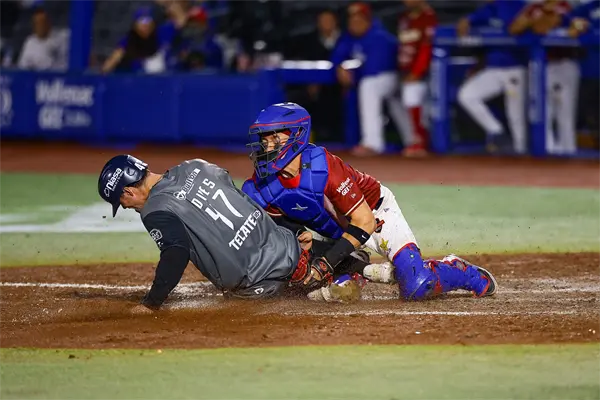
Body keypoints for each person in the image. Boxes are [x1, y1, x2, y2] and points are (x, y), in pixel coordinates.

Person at [242, 102, 498, 302]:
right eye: (264, 141)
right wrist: (300, 238)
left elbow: (364, 222)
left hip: (375, 214)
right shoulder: (261, 186)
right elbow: (280, 231)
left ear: (297, 136)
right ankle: (365, 271)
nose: (267, 147)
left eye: (275, 139)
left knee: (417, 285)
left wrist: (326, 262)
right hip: (339, 234)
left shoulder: (321, 167)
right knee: (311, 290)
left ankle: (458, 269)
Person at [97, 154, 368, 313]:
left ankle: (322, 292)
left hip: (259, 286)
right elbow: (241, 200)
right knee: (339, 265)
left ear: (128, 191)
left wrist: (151, 303)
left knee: (235, 317)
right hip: (290, 250)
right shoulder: (195, 166)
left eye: (122, 202)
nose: (126, 207)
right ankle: (357, 267)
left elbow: (175, 253)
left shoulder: (154, 209)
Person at [331, 2, 415, 157]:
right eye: (352, 20)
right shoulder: (348, 36)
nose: (354, 23)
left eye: (358, 20)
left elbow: (372, 69)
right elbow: (337, 56)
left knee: (368, 87)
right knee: (393, 104)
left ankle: (373, 143)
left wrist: (351, 74)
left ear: (367, 20)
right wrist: (340, 67)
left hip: (391, 77)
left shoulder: (379, 37)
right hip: (377, 78)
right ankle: (411, 140)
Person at [456, 0, 527, 154]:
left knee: (516, 115)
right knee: (467, 95)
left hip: (515, 67)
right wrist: (465, 22)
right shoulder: (488, 8)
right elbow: (468, 20)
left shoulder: (517, 5)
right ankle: (497, 131)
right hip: (493, 69)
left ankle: (522, 151)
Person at [509, 0, 579, 155]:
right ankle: (547, 152)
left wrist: (535, 21)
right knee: (543, 112)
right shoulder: (534, 8)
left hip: (563, 63)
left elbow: (546, 27)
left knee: (565, 113)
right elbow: (514, 28)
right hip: (540, 64)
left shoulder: (565, 7)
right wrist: (532, 20)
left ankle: (569, 152)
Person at [397, 0, 437, 157]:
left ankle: (421, 142)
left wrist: (417, 72)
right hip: (405, 71)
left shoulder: (428, 17)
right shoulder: (404, 17)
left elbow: (427, 48)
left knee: (414, 101)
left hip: (422, 73)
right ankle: (414, 141)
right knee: (407, 104)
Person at [101, 7, 164, 74]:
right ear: (135, 25)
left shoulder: (159, 37)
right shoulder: (127, 41)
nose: (145, 25)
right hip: (133, 77)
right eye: (141, 21)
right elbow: (109, 65)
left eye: (148, 21)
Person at [17, 6, 69, 71]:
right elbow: (23, 67)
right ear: (34, 27)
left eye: (43, 22)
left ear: (49, 23)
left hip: (58, 74)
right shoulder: (30, 42)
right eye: (37, 24)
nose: (41, 26)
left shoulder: (63, 37)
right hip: (37, 75)